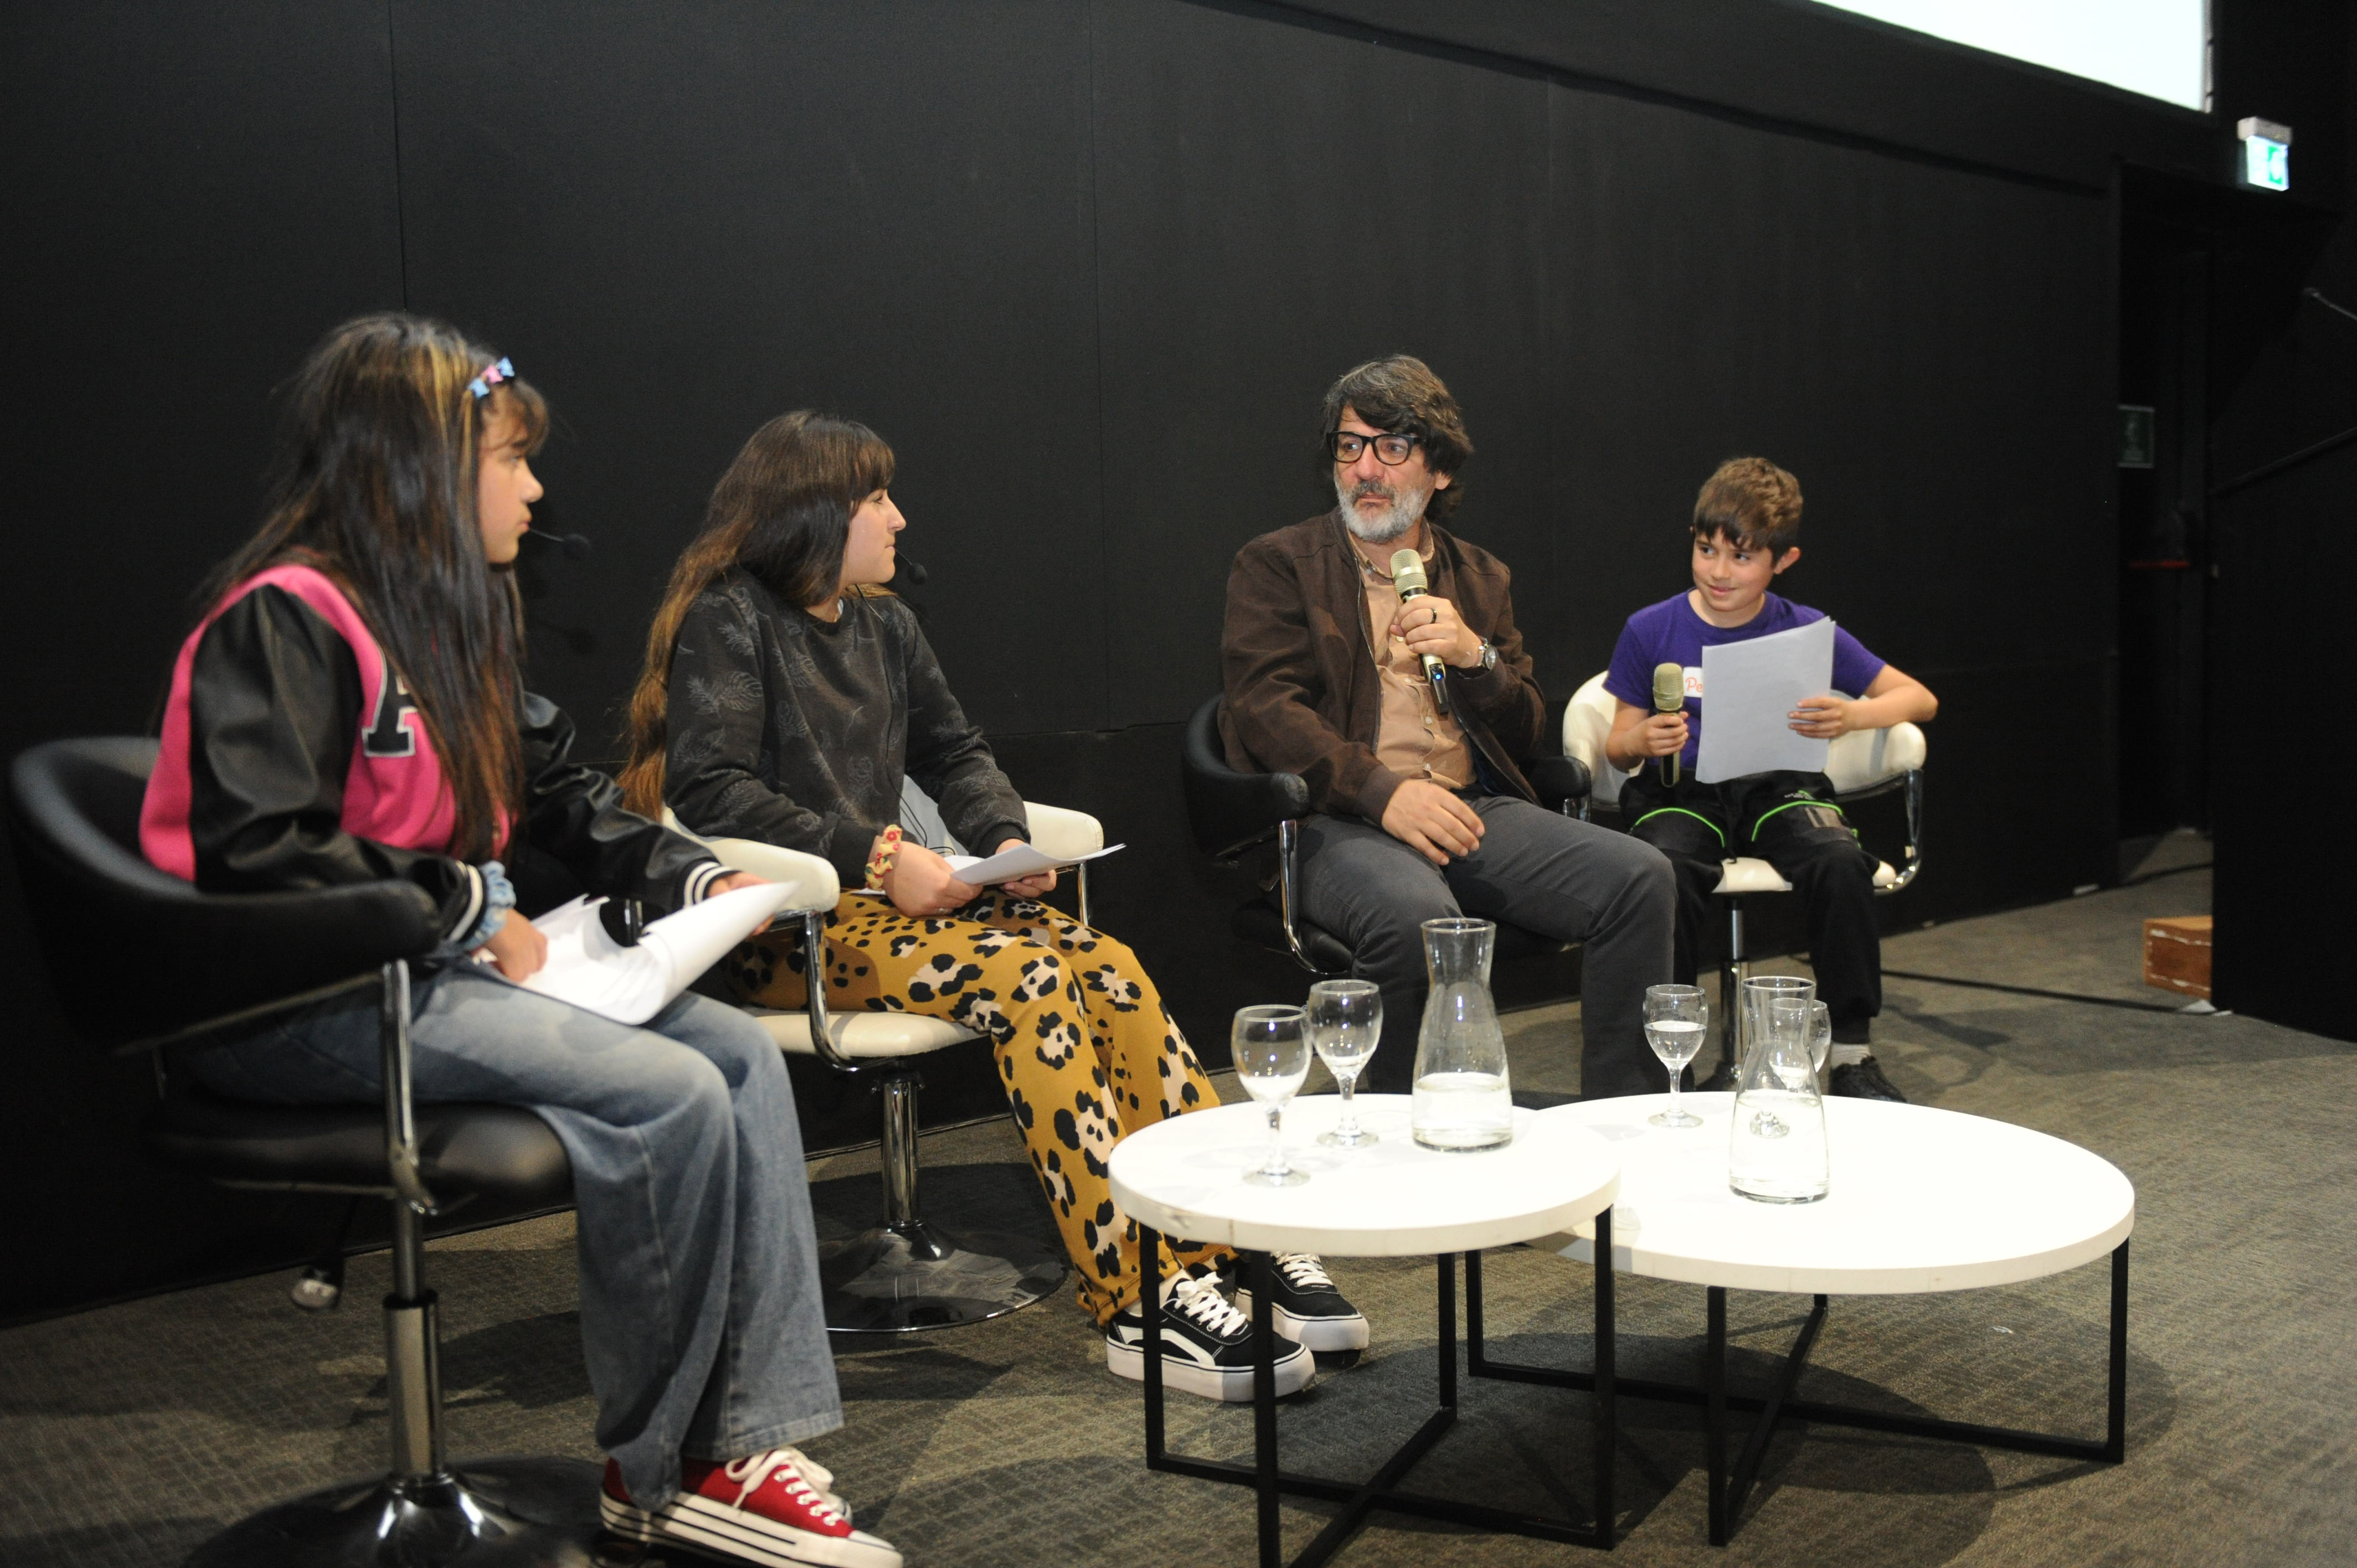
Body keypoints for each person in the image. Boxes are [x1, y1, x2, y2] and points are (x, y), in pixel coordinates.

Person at [138, 316, 899, 1568]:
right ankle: (665, 1469)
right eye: (511, 458)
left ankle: (746, 1438)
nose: (538, 487)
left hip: (424, 976)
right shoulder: (285, 620)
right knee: (665, 1093)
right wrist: (456, 906)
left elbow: (562, 794)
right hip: (308, 1000)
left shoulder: (455, 625)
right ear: (420, 467)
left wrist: (690, 872)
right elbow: (252, 848)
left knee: (739, 1060)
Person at [621, 410, 1366, 1403]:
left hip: (900, 916)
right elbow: (710, 787)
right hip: (787, 928)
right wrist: (881, 854)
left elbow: (956, 754)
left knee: (1107, 962)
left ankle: (1228, 1243)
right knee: (1030, 979)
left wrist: (1003, 840)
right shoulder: (733, 616)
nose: (899, 516)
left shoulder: (886, 623)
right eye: (876, 497)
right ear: (815, 512)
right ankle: (1138, 1297)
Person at [1221, 355, 1675, 1100]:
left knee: (1641, 878)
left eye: (1392, 447)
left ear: (1439, 470)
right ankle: (1401, 1153)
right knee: (1420, 921)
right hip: (1341, 820)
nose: (1365, 468)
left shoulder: (1480, 577)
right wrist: (1383, 793)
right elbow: (1267, 711)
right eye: (1349, 445)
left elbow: (1527, 731)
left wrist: (1476, 656)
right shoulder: (1279, 566)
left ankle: (1621, 1122)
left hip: (1471, 807)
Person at [1602, 456, 1938, 1101]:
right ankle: (1667, 1057)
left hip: (1777, 787)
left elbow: (1918, 699)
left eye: (1742, 557)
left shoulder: (1806, 630)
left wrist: (1853, 714)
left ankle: (1850, 1052)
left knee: (1838, 860)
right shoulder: (1650, 628)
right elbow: (1618, 746)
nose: (1718, 571)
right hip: (1683, 791)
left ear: (1781, 561)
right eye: (1706, 550)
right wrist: (1641, 739)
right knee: (1660, 871)